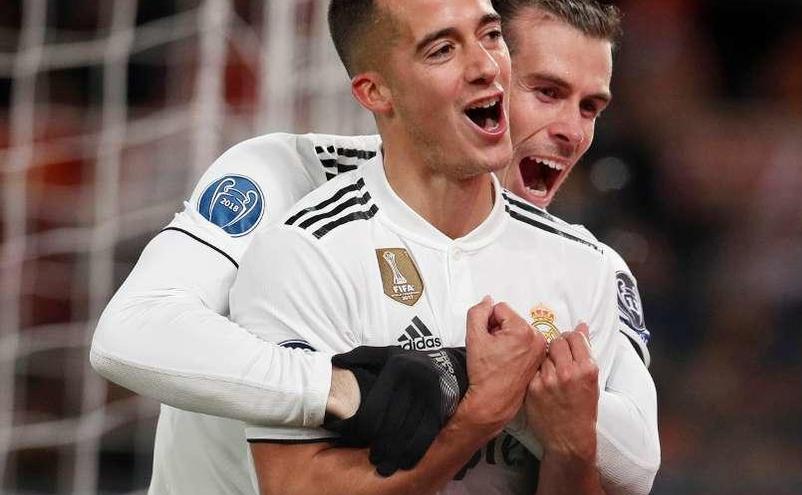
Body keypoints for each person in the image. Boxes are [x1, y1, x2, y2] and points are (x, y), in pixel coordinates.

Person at [90, 0, 659, 493]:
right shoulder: (288, 182)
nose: (572, 131)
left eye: (590, 108)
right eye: (546, 92)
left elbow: (635, 460)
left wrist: (481, 383)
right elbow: (133, 329)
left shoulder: (585, 264)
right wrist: (346, 388)